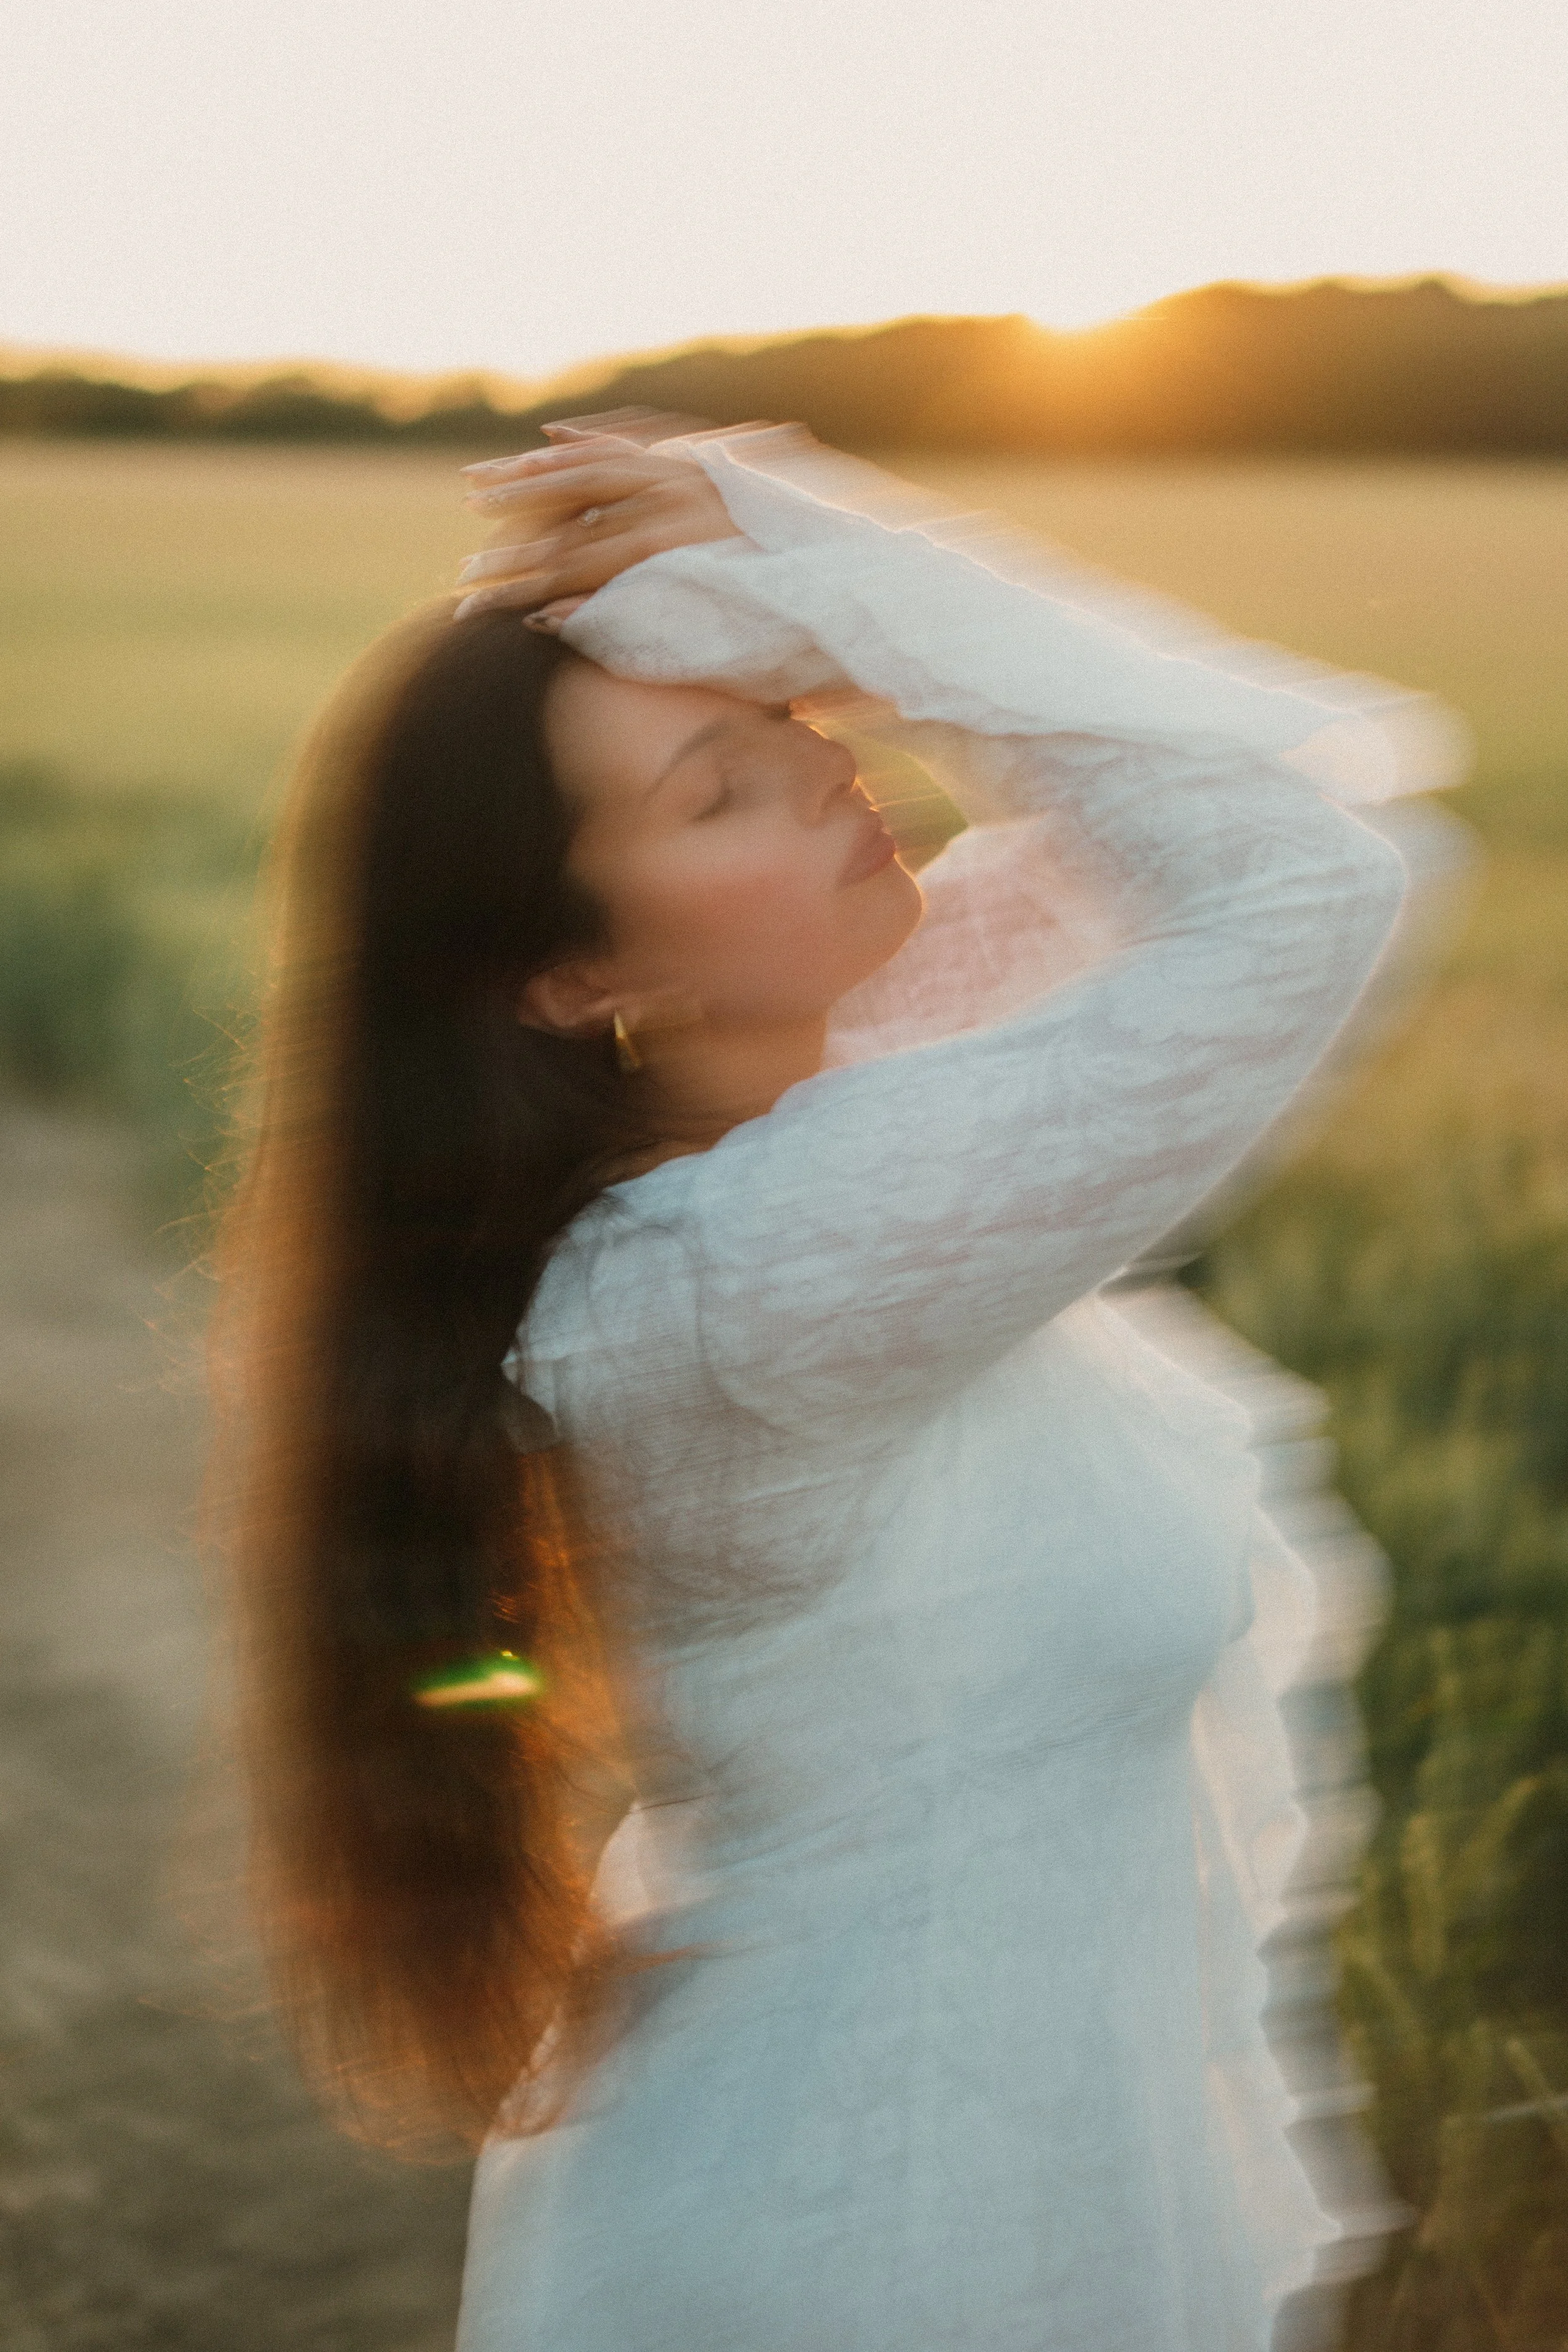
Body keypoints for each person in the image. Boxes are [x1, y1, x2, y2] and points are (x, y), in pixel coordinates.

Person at [220, 417, 1460, 2351]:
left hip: (955, 2171)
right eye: (721, 790)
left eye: (793, 715)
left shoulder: (820, 1101)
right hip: (871, 2233)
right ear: (561, 970)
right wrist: (831, 569)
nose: (827, 768)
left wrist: (793, 602)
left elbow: (1249, 820)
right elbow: (1299, 884)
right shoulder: (758, 1278)